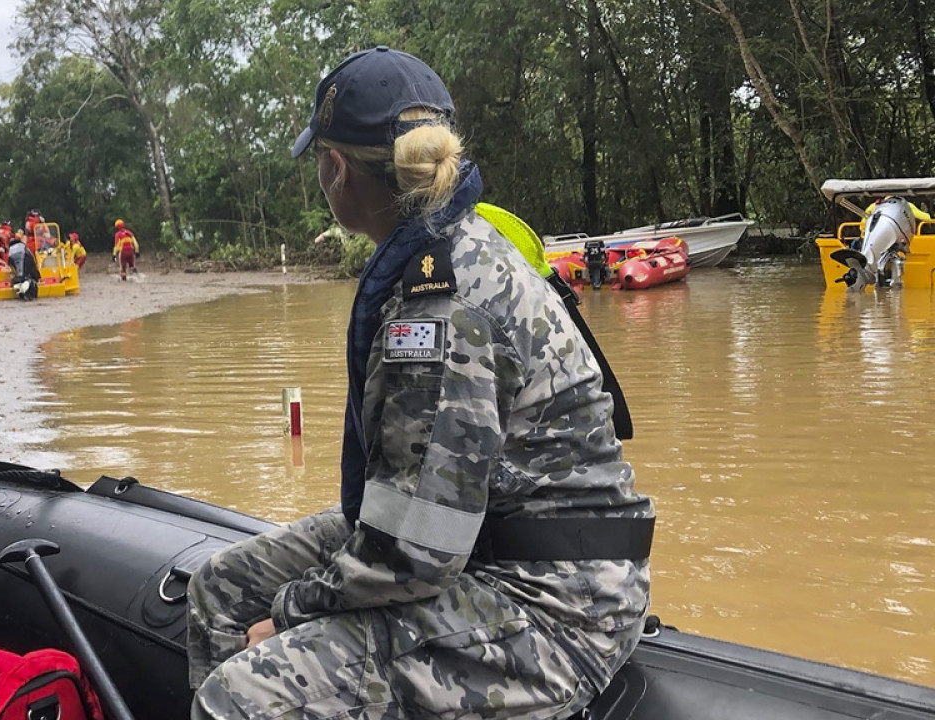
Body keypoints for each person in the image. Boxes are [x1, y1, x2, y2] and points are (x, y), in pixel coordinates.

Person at [186, 47, 655, 720]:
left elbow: (414, 554)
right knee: (220, 587)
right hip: (480, 540)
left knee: (240, 698)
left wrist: (288, 616)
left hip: (557, 602)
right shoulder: (445, 247)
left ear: (337, 169)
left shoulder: (442, 304)